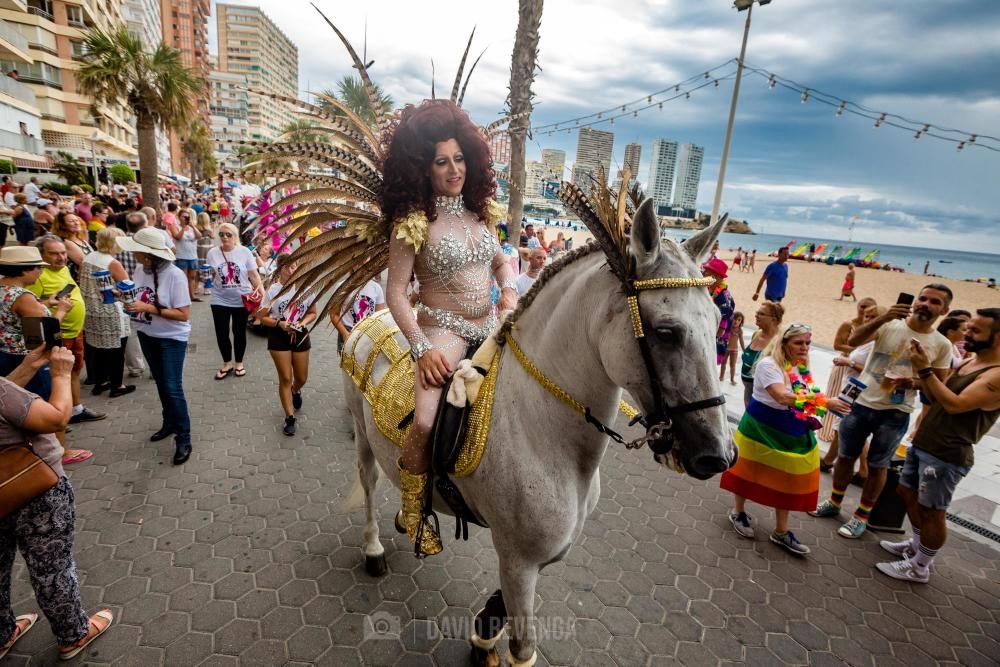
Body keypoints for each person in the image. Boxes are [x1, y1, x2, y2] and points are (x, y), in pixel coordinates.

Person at [383, 100, 517, 556]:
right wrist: (422, 349)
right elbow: (396, 293)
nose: (454, 169)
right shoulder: (412, 224)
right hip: (443, 331)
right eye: (442, 161)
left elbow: (501, 262)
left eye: (460, 158)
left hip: (494, 326)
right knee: (424, 420)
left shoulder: (482, 213)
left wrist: (511, 293)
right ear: (423, 167)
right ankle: (415, 511)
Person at [810, 285, 954, 539]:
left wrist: (914, 382)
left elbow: (939, 382)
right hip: (860, 402)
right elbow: (852, 342)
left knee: (878, 465)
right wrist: (884, 317)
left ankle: (861, 516)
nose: (925, 304)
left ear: (944, 310)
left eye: (934, 302)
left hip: (896, 411)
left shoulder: (941, 344)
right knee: (845, 456)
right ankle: (834, 503)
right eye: (922, 298)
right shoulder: (890, 325)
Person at [0, 345, 113, 660]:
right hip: (32, 487)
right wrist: (62, 375)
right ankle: (73, 634)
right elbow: (56, 419)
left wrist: (26, 368)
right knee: (52, 568)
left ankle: (1, 633)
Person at [874, 309, 1000, 583]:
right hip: (926, 442)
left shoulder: (995, 375)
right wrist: (919, 380)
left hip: (948, 453)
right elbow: (938, 395)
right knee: (906, 492)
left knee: (933, 511)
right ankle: (917, 547)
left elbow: (955, 405)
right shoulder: (971, 361)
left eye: (976, 330)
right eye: (968, 328)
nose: (966, 334)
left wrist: (925, 370)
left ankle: (920, 566)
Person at [721, 322, 852, 555]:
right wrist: (825, 402)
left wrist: (824, 405)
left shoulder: (798, 367)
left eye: (808, 343)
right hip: (762, 425)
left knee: (789, 478)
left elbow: (802, 395)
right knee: (748, 470)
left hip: (790, 426)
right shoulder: (768, 365)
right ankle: (738, 512)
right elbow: (781, 397)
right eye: (798, 343)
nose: (805, 347)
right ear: (784, 343)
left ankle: (781, 531)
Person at [118, 228, 192, 465]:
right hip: (147, 334)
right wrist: (125, 299)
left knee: (172, 387)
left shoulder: (175, 275)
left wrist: (147, 308)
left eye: (136, 250)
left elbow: (183, 315)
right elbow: (141, 298)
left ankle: (184, 438)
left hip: (172, 338)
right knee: (161, 383)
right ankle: (169, 423)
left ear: (147, 254)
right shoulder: (140, 269)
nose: (132, 253)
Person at [27, 236, 105, 428]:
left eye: (63, 252)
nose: (61, 257)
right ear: (42, 255)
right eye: (53, 253)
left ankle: (76, 409)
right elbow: (29, 309)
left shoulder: (62, 268)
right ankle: (56, 416)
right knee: (57, 376)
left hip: (75, 331)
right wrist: (49, 304)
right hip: (56, 334)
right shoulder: (38, 275)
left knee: (76, 371)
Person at [255, 254, 318, 436]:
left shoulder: (306, 288)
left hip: (300, 334)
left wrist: (302, 321)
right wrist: (278, 323)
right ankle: (289, 418)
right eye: (291, 267)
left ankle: (295, 391)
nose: (294, 270)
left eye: (296, 266)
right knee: (285, 378)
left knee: (302, 377)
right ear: (282, 268)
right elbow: (262, 317)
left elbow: (313, 312)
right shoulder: (274, 291)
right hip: (278, 335)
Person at [79, 227, 134, 398]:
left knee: (99, 348)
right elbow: (127, 286)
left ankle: (100, 381)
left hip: (91, 309)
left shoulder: (89, 257)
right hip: (110, 310)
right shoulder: (112, 262)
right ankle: (117, 385)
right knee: (117, 350)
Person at [818, 298, 877, 451]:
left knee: (844, 411)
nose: (865, 312)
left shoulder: (877, 333)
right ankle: (827, 434)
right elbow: (837, 345)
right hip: (843, 366)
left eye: (870, 311)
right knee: (835, 399)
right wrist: (857, 351)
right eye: (863, 307)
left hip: (857, 376)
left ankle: (834, 451)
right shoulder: (849, 324)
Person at [205, 222, 263, 379]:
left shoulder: (244, 252)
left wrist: (263, 295)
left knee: (239, 332)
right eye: (222, 234)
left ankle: (239, 363)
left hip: (241, 299)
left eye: (228, 234)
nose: (224, 237)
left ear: (235, 236)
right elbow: (211, 274)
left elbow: (254, 275)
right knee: (222, 334)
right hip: (219, 299)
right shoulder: (212, 253)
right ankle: (227, 364)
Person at [740, 301, 784, 406]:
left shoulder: (779, 342)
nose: (756, 316)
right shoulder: (756, 334)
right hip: (748, 391)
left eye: (761, 314)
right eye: (757, 313)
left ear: (774, 319)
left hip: (764, 396)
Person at [332, 278, 386, 354]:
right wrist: (345, 334)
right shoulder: (341, 286)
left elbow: (380, 317)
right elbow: (334, 314)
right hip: (348, 331)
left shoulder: (376, 287)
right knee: (348, 365)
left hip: (369, 334)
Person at [702, 257, 735, 366]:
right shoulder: (710, 290)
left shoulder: (723, 301)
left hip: (712, 344)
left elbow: (720, 331)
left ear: (715, 276)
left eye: (706, 271)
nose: (703, 273)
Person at [50, 213, 93, 284]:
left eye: (76, 220)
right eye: (71, 221)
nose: (76, 223)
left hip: (90, 276)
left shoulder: (81, 239)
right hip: (81, 281)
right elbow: (84, 262)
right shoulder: (66, 242)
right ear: (63, 225)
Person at [170, 209, 202, 301]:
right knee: (182, 278)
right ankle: (183, 297)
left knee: (192, 277)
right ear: (179, 217)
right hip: (181, 256)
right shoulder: (175, 226)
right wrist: (183, 227)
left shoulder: (192, 227)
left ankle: (192, 296)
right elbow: (177, 237)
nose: (185, 218)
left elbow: (199, 236)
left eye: (187, 217)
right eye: (183, 216)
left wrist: (192, 226)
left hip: (193, 256)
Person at [722, 312, 745, 385]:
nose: (736, 321)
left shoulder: (740, 330)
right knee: (723, 362)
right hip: (726, 348)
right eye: (734, 319)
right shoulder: (728, 328)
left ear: (741, 322)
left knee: (733, 365)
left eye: (739, 320)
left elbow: (741, 341)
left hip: (734, 350)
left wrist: (744, 350)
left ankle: (732, 379)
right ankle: (721, 376)